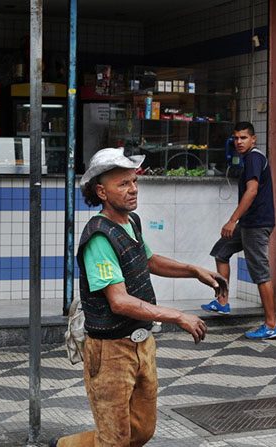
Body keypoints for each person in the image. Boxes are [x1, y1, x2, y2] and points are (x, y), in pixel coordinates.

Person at [50, 147, 228, 447]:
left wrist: (193, 270)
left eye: (134, 182)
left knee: (141, 430)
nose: (133, 190)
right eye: (123, 184)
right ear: (101, 191)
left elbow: (148, 261)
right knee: (115, 439)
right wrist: (178, 315)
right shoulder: (98, 237)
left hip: (142, 342)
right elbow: (118, 301)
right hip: (110, 351)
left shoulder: (130, 223)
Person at [200, 122, 276, 340]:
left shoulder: (254, 157)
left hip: (256, 224)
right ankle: (222, 302)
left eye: (243, 138)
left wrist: (232, 220)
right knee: (221, 251)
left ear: (253, 139)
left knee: (260, 273)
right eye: (235, 138)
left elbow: (252, 191)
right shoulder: (248, 159)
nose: (238, 142)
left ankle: (271, 324)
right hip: (248, 223)